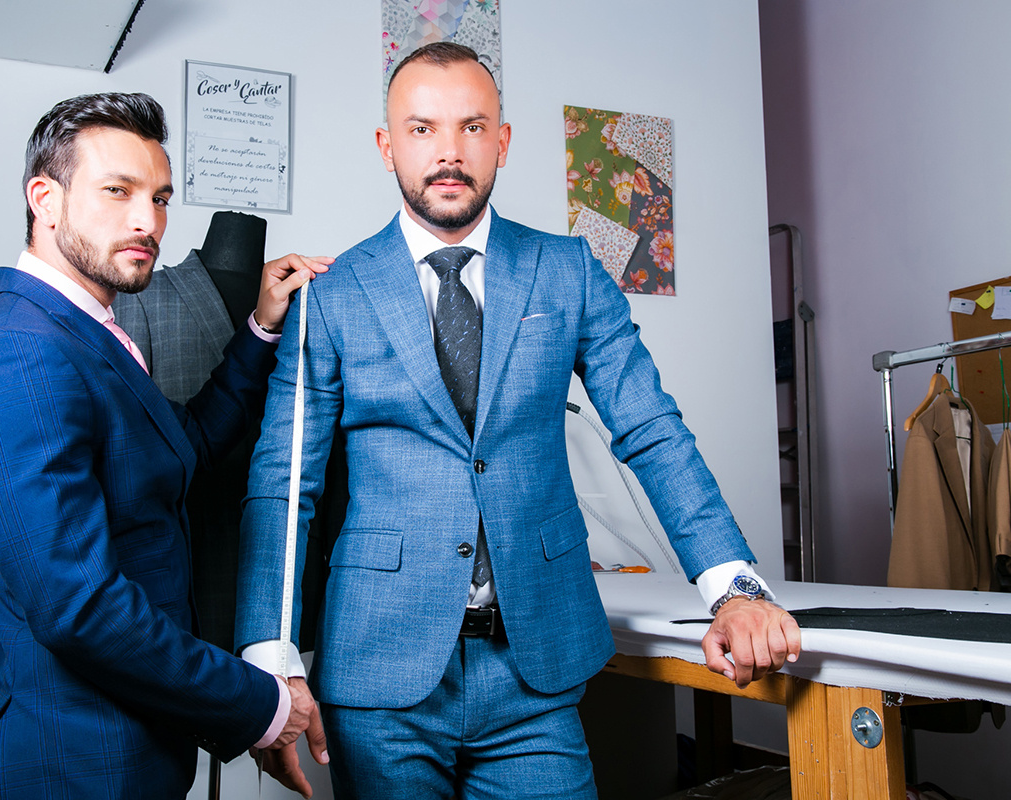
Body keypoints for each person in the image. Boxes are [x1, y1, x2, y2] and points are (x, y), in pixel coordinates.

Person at [235, 43, 801, 799]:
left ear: (501, 141)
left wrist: (734, 588)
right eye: (422, 129)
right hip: (380, 668)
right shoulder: (331, 296)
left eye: (472, 127)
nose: (448, 152)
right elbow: (284, 482)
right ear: (387, 145)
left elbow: (652, 428)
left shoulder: (568, 270)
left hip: (536, 670)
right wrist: (271, 652)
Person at [0, 92, 330, 799]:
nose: (148, 220)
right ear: (45, 199)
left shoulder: (86, 334)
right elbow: (79, 608)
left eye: (160, 197)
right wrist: (261, 705)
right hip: (69, 765)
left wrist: (262, 328)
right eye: (117, 191)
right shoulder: (18, 356)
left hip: (131, 753)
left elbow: (188, 442)